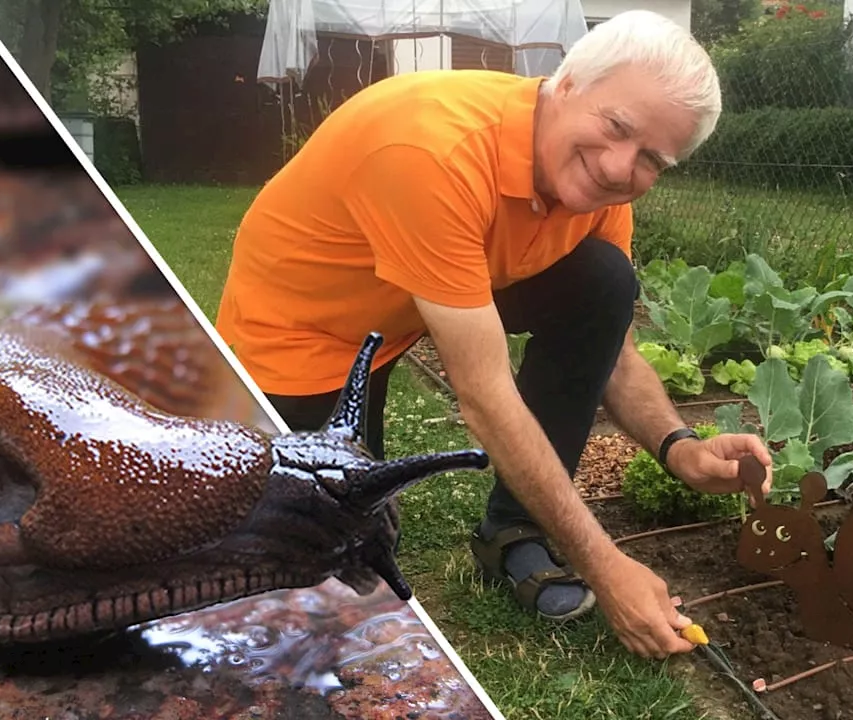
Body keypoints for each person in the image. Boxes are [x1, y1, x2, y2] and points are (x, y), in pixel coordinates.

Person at [214, 9, 774, 660]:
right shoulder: (432, 149)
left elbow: (613, 357)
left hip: (410, 302)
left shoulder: (600, 193)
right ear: (566, 84)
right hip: (305, 333)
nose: (622, 166)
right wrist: (603, 564)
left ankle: (514, 532)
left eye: (652, 158)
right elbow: (483, 394)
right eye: (617, 127)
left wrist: (679, 447)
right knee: (330, 573)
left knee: (605, 281)